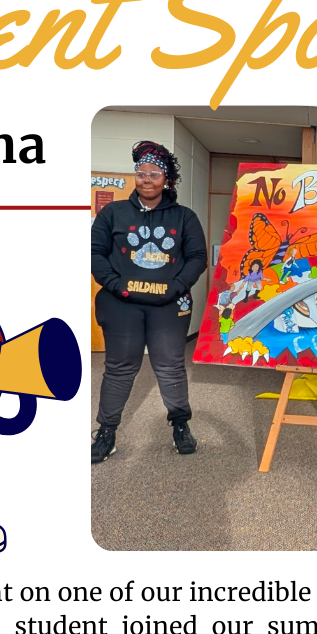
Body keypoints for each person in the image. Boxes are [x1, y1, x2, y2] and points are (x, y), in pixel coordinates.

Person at [90, 140, 208, 462]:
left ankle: (180, 425)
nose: (146, 179)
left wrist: (177, 287)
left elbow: (197, 257)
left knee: (170, 366)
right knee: (119, 368)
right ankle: (106, 432)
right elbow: (95, 252)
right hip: (121, 303)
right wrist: (115, 284)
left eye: (154, 174)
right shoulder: (113, 213)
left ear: (167, 179)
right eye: (141, 173)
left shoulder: (184, 217)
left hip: (169, 304)